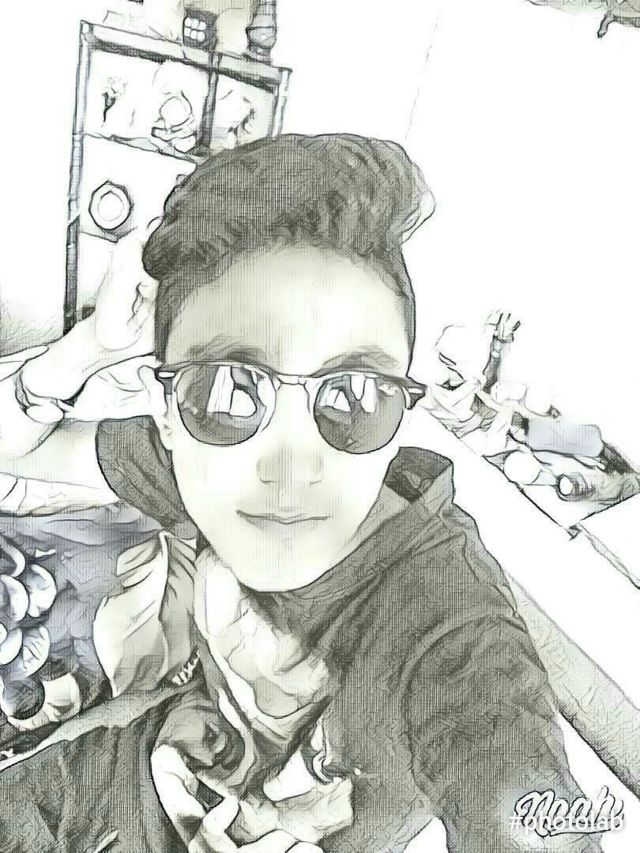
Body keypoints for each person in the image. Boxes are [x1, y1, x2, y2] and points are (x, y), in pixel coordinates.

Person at [0, 134, 602, 853]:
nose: (292, 467)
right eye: (230, 389)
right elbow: (16, 448)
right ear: (165, 411)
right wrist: (89, 348)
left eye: (355, 395)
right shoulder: (186, 458)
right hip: (118, 781)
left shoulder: (445, 618)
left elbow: (515, 781)